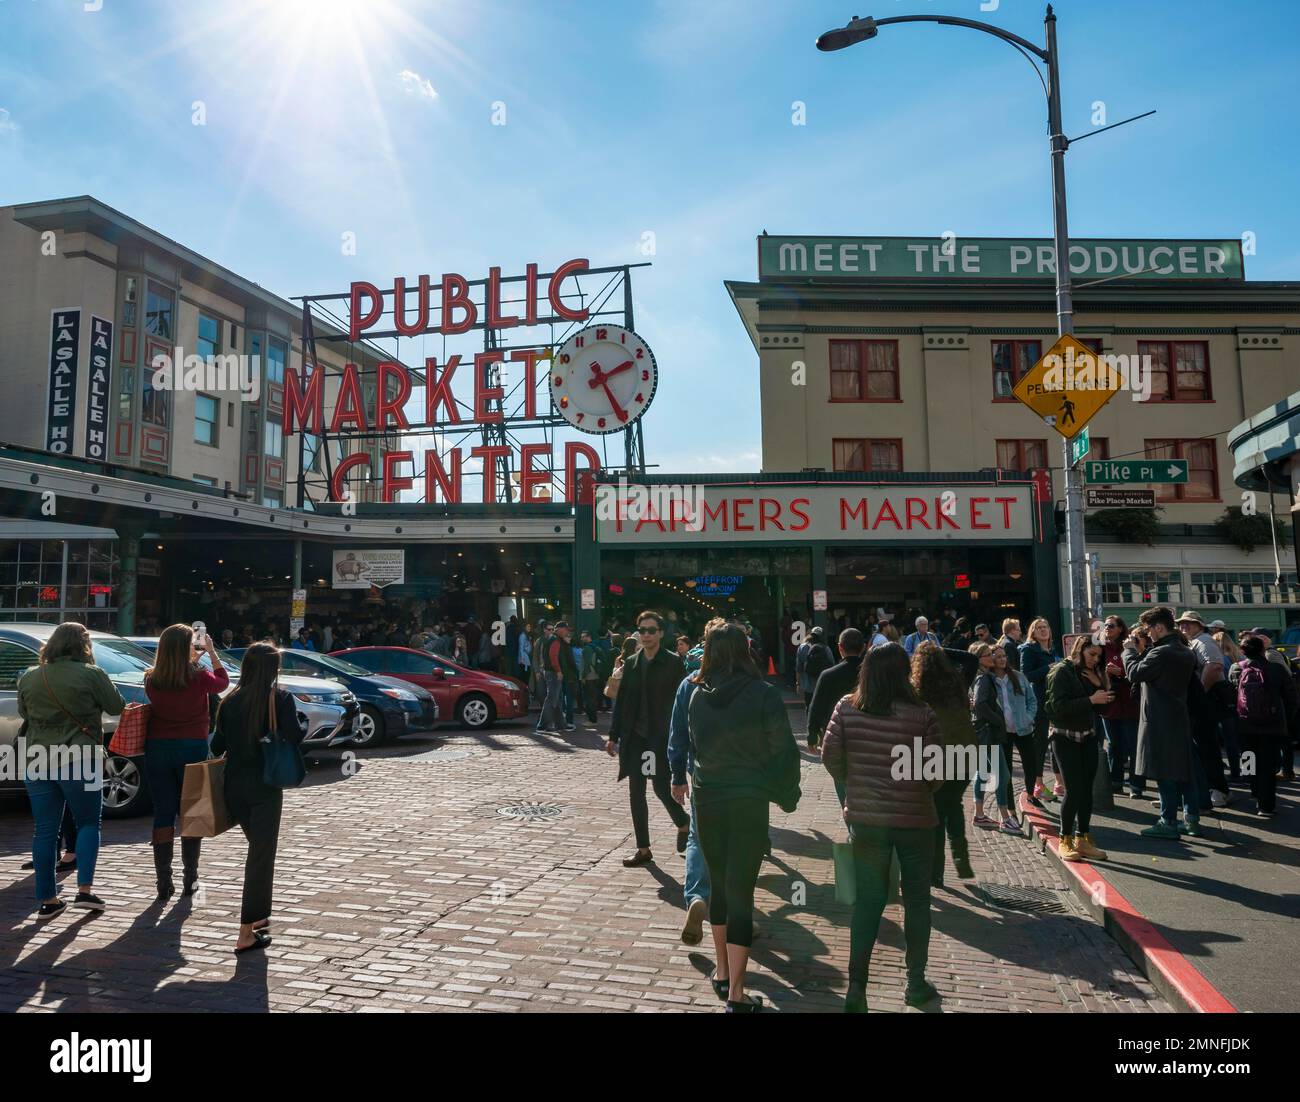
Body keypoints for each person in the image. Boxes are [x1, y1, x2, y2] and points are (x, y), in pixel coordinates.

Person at [672, 622, 799, 1012]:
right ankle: (738, 996)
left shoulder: (695, 694)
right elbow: (783, 749)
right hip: (748, 799)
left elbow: (692, 746)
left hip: (708, 799)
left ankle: (724, 972)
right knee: (742, 891)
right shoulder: (763, 693)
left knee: (721, 890)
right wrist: (786, 794)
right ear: (745, 651)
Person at [822, 643, 943, 1013]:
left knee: (869, 902)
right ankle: (915, 981)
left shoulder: (846, 707)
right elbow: (936, 774)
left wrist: (855, 786)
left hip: (867, 820)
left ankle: (856, 988)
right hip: (915, 820)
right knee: (917, 900)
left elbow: (830, 758)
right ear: (905, 672)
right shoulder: (922, 715)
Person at [18, 622, 125, 917]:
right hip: (81, 756)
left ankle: (48, 900)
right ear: (84, 645)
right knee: (88, 822)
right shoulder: (91, 674)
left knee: (44, 831)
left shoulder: (30, 676)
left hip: (37, 758)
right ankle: (85, 891)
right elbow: (117, 706)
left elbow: (24, 713)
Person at [209, 642, 304, 953]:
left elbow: (217, 745)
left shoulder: (231, 700)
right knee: (261, 859)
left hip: (234, 785)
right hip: (265, 786)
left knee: (258, 852)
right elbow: (294, 736)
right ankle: (246, 930)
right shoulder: (280, 699)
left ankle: (258, 920)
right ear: (272, 669)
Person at [144, 623, 230, 899]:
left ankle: (162, 882)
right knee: (192, 815)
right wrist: (212, 652)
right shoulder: (199, 676)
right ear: (187, 648)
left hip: (158, 748)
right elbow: (223, 682)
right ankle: (190, 878)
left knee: (163, 812)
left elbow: (174, 678)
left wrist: (194, 659)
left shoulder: (151, 678)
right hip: (191, 748)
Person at [606, 611, 690, 867]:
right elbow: (621, 703)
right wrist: (613, 735)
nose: (646, 635)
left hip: (659, 738)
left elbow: (681, 704)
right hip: (635, 738)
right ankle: (643, 849)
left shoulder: (674, 663)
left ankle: (684, 822)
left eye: (651, 630)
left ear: (661, 633)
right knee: (636, 792)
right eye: (642, 630)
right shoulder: (630, 662)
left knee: (661, 788)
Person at [668, 621, 724, 947]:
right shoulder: (745, 682)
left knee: (698, 838)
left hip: (700, 772)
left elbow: (677, 735)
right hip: (740, 776)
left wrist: (677, 776)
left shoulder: (689, 682)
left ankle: (698, 897)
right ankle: (733, 909)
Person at [1123, 607, 1201, 840]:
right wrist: (1144, 651)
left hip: (1158, 719)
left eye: (1149, 629)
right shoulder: (1185, 652)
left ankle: (1167, 821)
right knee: (1184, 770)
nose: (1147, 634)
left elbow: (1135, 673)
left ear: (1159, 627)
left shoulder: (1161, 653)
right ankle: (1191, 820)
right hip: (1179, 715)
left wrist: (1129, 652)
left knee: (1164, 771)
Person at [911, 642, 977, 885]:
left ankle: (936, 872)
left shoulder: (916, 691)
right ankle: (961, 859)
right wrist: (939, 650)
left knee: (937, 812)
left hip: (935, 758)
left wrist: (924, 650)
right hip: (965, 753)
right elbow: (971, 659)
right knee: (953, 804)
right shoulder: (958, 683)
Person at [1045, 636, 1113, 861]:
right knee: (1073, 790)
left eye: (1098, 657)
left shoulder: (1091, 672)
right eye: (1091, 654)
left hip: (1087, 735)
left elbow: (1105, 706)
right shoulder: (1061, 671)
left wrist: (1100, 680)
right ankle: (1064, 839)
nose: (1095, 659)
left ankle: (1082, 838)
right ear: (1079, 650)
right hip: (1064, 737)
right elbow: (1057, 707)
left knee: (1086, 790)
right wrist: (1091, 700)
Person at [1229, 633, 1297, 816]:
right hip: (1272, 725)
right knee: (1267, 764)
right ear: (1262, 649)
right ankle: (1266, 805)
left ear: (1242, 651)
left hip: (1245, 724)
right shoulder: (1276, 669)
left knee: (1248, 757)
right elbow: (1291, 698)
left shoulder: (1237, 668)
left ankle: (1253, 789)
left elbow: (1232, 696)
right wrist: (1286, 719)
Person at [1176, 611, 1230, 807]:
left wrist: (1199, 693)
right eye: (1181, 624)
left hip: (1206, 702)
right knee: (1201, 746)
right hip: (1201, 701)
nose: (1184, 626)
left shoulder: (1204, 640)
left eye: (1189, 623)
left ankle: (1219, 789)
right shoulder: (1195, 642)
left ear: (1199, 625)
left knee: (1207, 746)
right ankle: (1209, 788)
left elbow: (1215, 666)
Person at [969, 643, 1020, 835]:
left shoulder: (976, 678)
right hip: (989, 732)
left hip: (980, 731)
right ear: (980, 659)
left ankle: (979, 814)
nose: (992, 656)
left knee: (982, 773)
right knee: (1002, 775)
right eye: (988, 654)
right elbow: (981, 705)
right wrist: (998, 720)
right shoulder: (984, 679)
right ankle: (1005, 818)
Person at [1099, 616, 1142, 797]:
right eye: (1105, 625)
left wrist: (1121, 673)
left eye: (1111, 625)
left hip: (1130, 703)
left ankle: (1136, 785)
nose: (1107, 628)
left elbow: (1139, 671)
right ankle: (1115, 781)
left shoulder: (1130, 646)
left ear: (1120, 629)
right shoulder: (1100, 649)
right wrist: (1104, 672)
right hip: (1109, 704)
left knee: (1133, 746)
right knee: (1114, 745)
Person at [1019, 617, 1061, 802]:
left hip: (1056, 701)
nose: (1044, 630)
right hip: (1039, 702)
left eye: (1046, 627)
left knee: (1057, 742)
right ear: (1033, 633)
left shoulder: (1053, 650)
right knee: (1040, 744)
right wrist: (1048, 668)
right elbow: (1025, 676)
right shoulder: (1029, 649)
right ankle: (1038, 785)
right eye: (1039, 628)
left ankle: (1059, 782)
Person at [993, 644, 1038, 810]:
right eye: (998, 656)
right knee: (1007, 771)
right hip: (1002, 732)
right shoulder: (989, 681)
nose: (1002, 659)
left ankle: (1031, 794)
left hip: (1023, 728)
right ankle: (1010, 807)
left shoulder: (1018, 676)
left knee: (1030, 764)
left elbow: (1032, 701)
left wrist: (1028, 717)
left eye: (1004, 656)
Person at [807, 629, 866, 752]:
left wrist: (812, 735)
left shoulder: (828, 675)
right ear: (863, 647)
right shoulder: (872, 674)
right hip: (865, 732)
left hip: (835, 732)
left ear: (840, 648)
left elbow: (817, 706)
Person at [535, 621, 575, 734]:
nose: (567, 632)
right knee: (552, 699)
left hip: (551, 672)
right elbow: (553, 657)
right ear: (560, 629)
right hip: (553, 673)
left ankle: (560, 724)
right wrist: (558, 671)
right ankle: (542, 725)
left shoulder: (554, 640)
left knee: (557, 699)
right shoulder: (556, 640)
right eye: (566, 630)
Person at [1214, 631, 1245, 781]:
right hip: (1244, 704)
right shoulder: (1241, 658)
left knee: (1230, 742)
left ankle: (1235, 773)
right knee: (1245, 742)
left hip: (1226, 704)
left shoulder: (1221, 660)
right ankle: (1249, 772)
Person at [796, 626, 833, 708]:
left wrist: (798, 684)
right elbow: (832, 667)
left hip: (808, 687)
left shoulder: (802, 648)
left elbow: (799, 668)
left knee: (809, 708)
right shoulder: (826, 648)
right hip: (822, 686)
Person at [578, 630, 606, 724]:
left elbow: (586, 664)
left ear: (588, 637)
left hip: (589, 676)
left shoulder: (587, 649)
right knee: (593, 698)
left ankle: (592, 720)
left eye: (583, 636)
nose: (581, 638)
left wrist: (583, 677)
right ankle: (593, 719)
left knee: (589, 699)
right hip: (596, 675)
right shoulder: (596, 647)